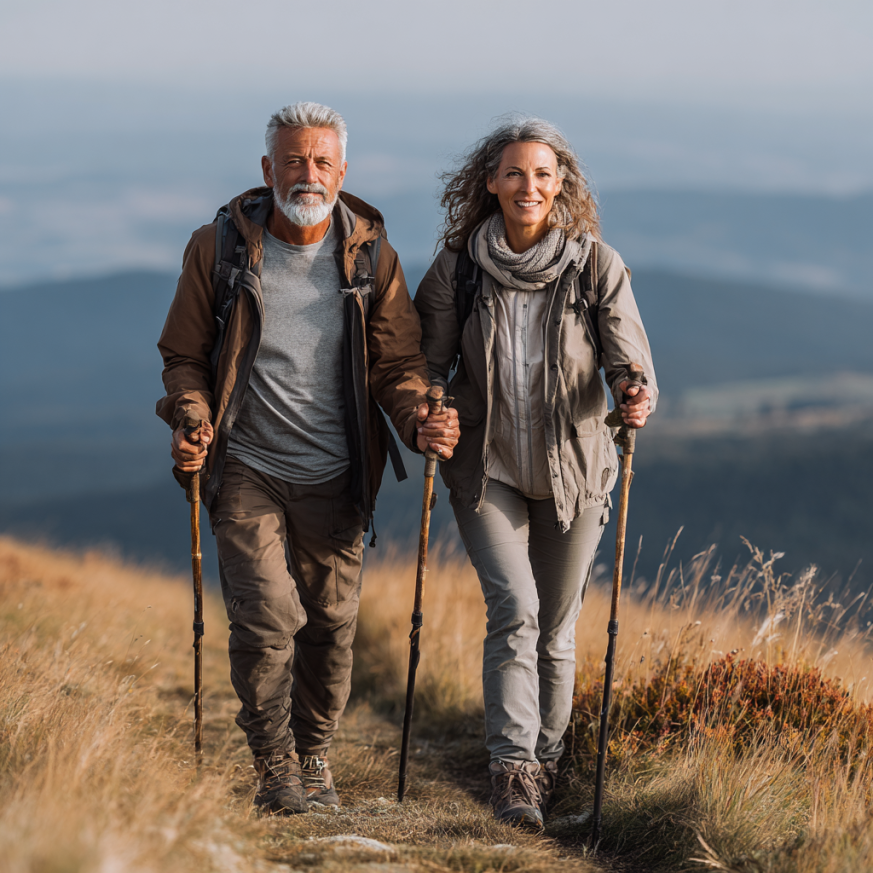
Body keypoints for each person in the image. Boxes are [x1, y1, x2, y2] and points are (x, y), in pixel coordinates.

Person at [156, 102, 459, 815]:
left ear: (342, 171)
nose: (308, 173)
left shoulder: (369, 256)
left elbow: (397, 362)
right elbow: (184, 356)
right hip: (248, 468)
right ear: (267, 169)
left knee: (328, 627)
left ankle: (313, 751)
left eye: (322, 161)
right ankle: (274, 766)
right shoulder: (220, 248)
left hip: (336, 472)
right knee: (264, 620)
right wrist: (192, 414)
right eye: (293, 160)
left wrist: (419, 417)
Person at [414, 116, 657, 830]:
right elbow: (426, 363)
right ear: (489, 182)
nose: (529, 186)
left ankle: (546, 761)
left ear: (560, 186)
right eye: (514, 173)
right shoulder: (457, 268)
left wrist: (634, 390)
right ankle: (512, 769)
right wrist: (429, 406)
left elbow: (628, 356)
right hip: (485, 466)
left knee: (556, 625)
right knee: (514, 611)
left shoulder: (592, 265)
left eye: (543, 174)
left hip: (576, 472)